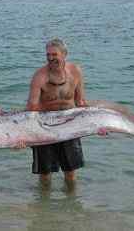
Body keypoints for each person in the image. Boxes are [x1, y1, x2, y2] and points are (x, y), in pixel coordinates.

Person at [25, 38, 90, 185]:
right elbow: (31, 108)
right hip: (44, 126)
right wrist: (24, 136)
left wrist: (96, 125)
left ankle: (73, 205)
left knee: (71, 173)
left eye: (54, 54)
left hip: (69, 125)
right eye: (48, 55)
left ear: (64, 54)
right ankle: (43, 206)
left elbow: (80, 102)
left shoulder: (75, 71)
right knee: (45, 174)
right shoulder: (39, 77)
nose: (50, 58)